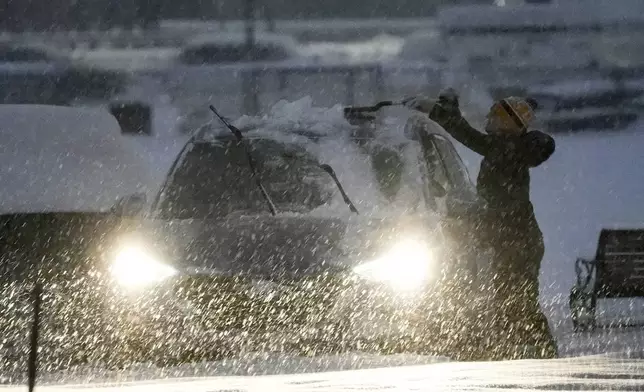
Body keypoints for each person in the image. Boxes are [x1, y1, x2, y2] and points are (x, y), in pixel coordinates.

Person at [403, 90, 558, 360]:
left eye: (494, 115)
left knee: (517, 302)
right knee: (509, 301)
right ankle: (522, 352)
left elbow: (468, 137)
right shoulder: (509, 148)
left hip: (518, 242)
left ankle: (542, 354)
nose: (488, 118)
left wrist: (439, 112)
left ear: (507, 123)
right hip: (515, 240)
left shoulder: (506, 150)